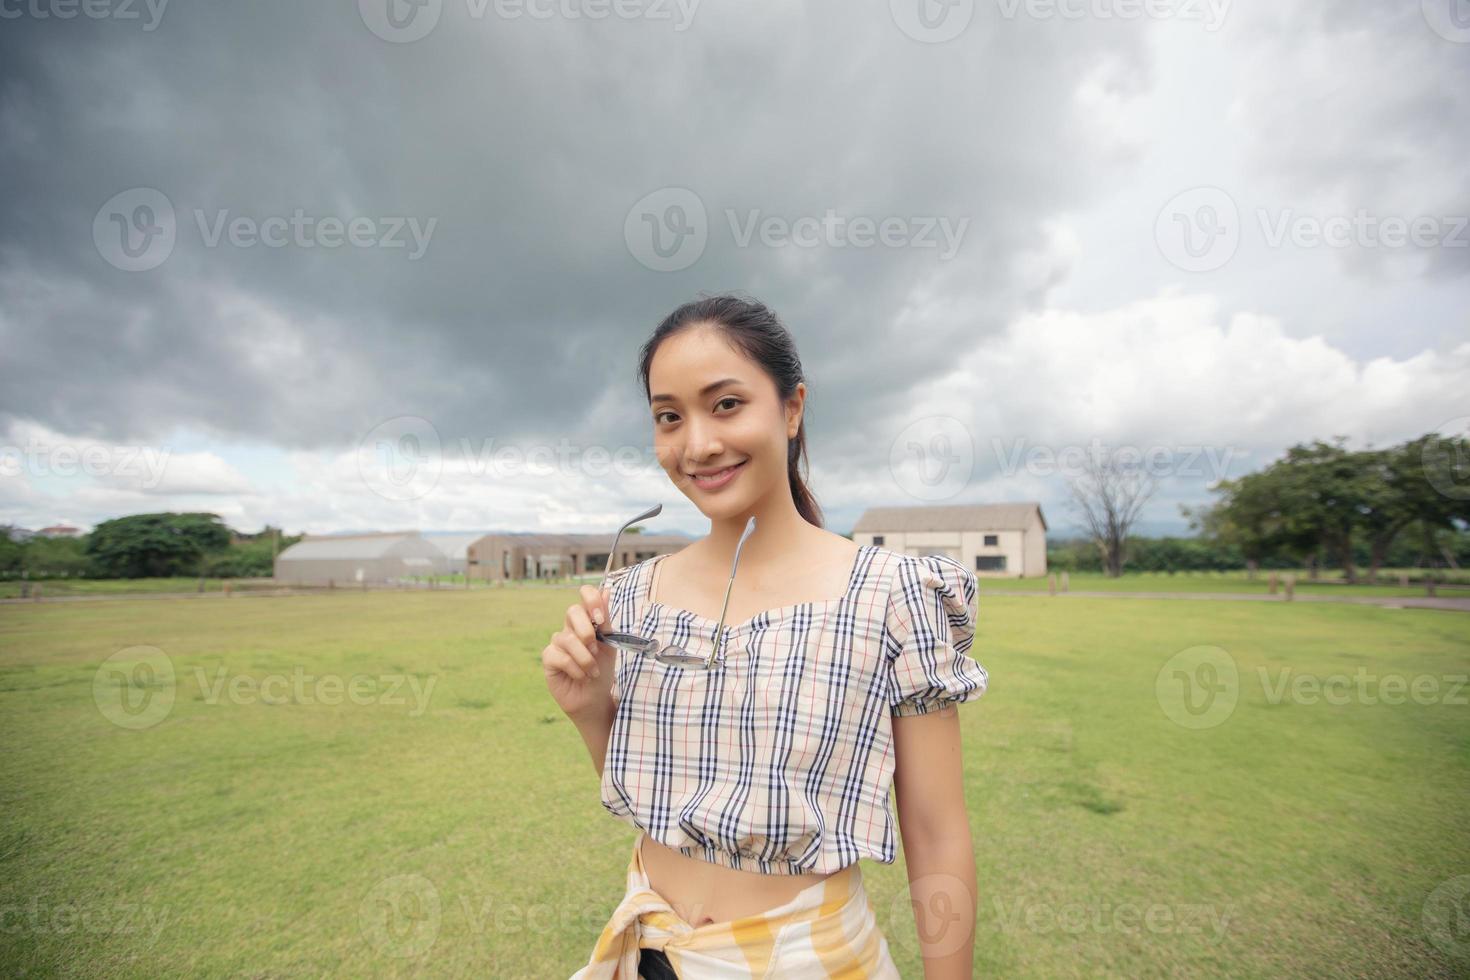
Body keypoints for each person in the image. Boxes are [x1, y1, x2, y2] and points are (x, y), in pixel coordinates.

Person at [543, 294, 988, 978]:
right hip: (650, 954)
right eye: (670, 416)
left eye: (726, 404)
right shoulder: (630, 597)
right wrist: (589, 710)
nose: (697, 444)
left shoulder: (891, 595)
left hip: (809, 960)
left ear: (791, 408)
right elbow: (662, 798)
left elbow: (936, 829)